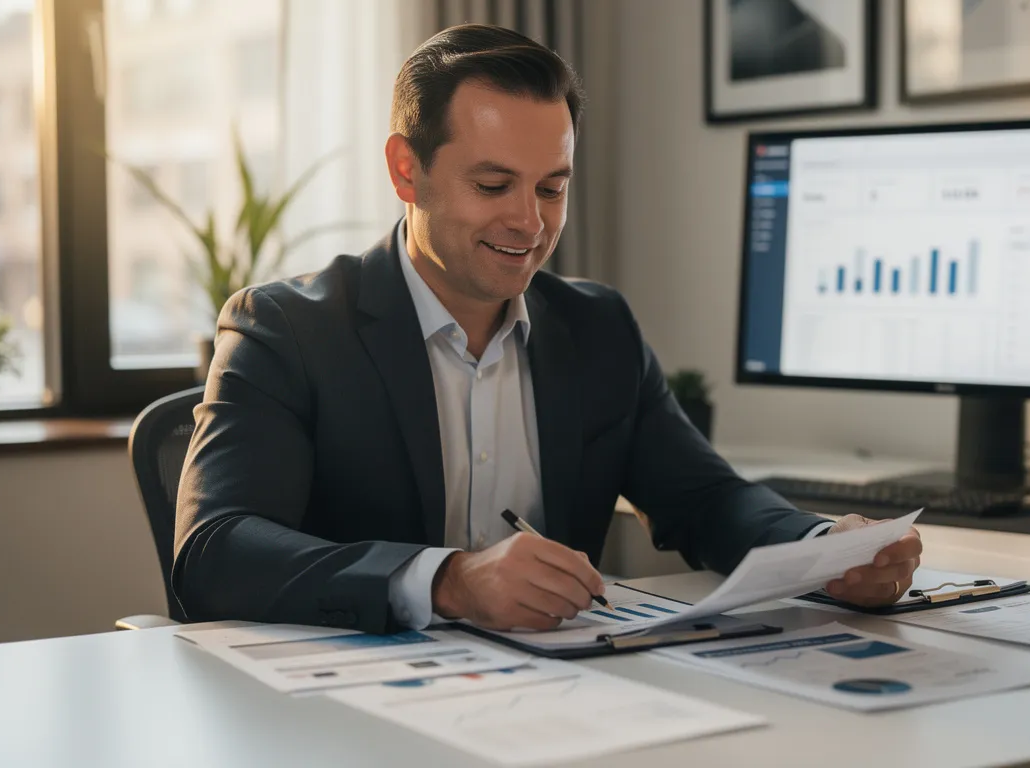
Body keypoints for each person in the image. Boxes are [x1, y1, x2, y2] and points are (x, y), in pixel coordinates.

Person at [173, 24, 921, 635]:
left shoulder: (598, 329)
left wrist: (825, 551)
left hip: (560, 706)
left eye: (552, 187)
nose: (530, 223)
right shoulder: (284, 329)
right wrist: (449, 581)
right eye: (493, 185)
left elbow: (705, 499)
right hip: (347, 715)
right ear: (407, 171)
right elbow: (216, 551)